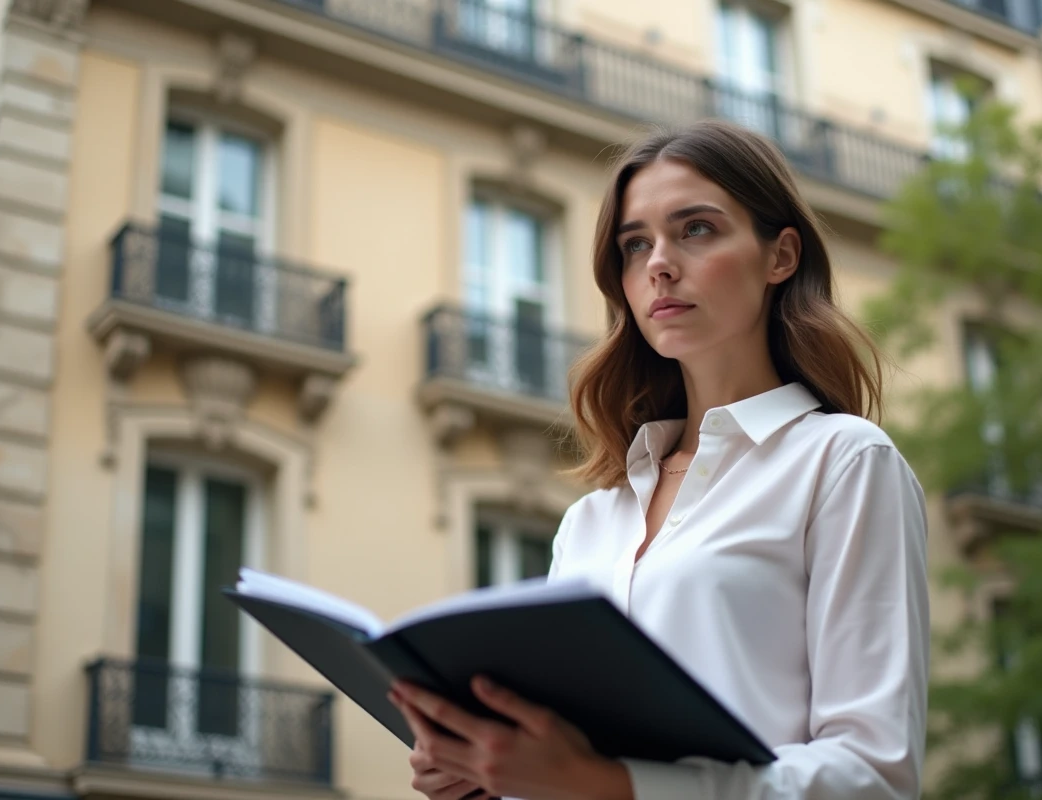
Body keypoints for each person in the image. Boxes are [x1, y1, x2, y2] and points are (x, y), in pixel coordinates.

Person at [388, 119, 930, 800]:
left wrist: (614, 784)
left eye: (695, 229)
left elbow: (873, 775)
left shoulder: (843, 463)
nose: (659, 264)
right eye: (634, 244)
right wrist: (492, 777)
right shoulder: (592, 521)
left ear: (780, 256)